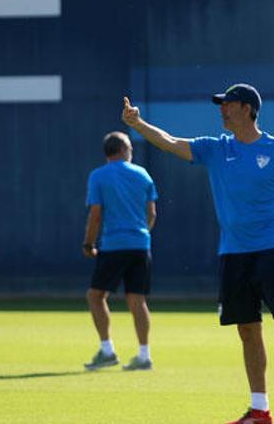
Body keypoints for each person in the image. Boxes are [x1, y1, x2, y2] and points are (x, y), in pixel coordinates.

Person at [122, 84, 274, 424]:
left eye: (227, 104)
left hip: (270, 249)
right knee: (247, 329)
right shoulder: (216, 149)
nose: (222, 110)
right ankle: (260, 410)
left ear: (247, 108)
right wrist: (138, 125)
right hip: (232, 253)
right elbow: (172, 143)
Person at [82, 131, 158, 372]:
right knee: (137, 299)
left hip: (114, 245)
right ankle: (144, 355)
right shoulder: (143, 174)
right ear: (124, 150)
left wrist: (88, 243)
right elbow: (152, 214)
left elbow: (96, 215)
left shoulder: (98, 176)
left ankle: (107, 350)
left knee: (95, 296)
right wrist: (140, 234)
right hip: (140, 245)